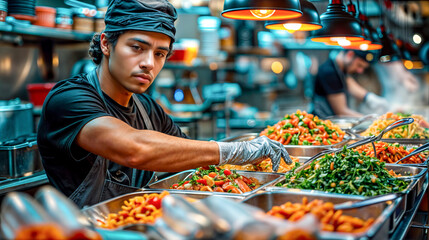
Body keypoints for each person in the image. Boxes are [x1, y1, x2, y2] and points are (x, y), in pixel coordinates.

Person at [37, 0, 291, 208]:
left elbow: (188, 157)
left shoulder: (148, 109)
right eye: (137, 47)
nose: (149, 63)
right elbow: (134, 148)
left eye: (160, 53)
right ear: (106, 43)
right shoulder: (68, 99)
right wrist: (234, 151)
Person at [310, 50, 389, 118]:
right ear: (350, 55)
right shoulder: (329, 72)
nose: (360, 71)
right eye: (359, 65)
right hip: (324, 124)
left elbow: (349, 84)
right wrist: (370, 119)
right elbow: (341, 111)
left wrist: (369, 97)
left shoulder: (341, 68)